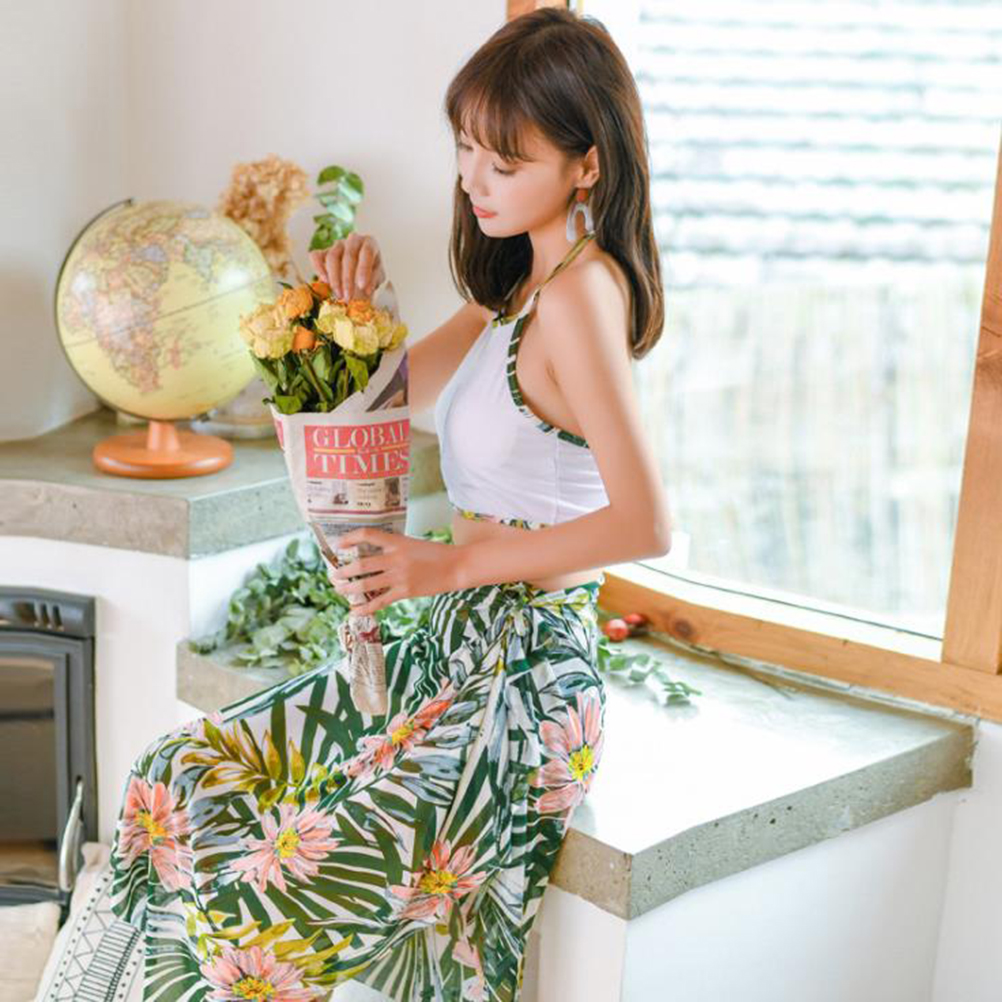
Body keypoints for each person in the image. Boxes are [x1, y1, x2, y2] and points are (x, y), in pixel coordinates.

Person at [106, 8, 670, 1002]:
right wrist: (347, 317)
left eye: (505, 162)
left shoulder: (582, 296)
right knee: (180, 775)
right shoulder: (516, 288)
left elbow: (646, 524)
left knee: (261, 902)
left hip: (524, 683)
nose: (474, 181)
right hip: (448, 645)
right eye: (465, 150)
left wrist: (449, 565)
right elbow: (379, 402)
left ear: (587, 165)